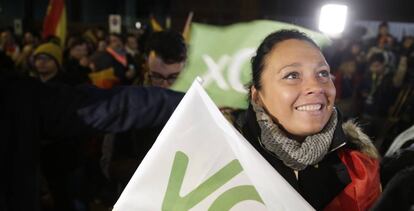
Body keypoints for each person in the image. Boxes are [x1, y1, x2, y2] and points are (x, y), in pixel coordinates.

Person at [232, 30, 381, 210]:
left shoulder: (361, 169)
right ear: (256, 96)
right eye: (292, 75)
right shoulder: (223, 161)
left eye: (323, 73)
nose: (316, 87)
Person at [0, 68, 184, 211]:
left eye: (173, 77)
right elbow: (109, 164)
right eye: (157, 76)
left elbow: (112, 107)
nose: (165, 83)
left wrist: (187, 103)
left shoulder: (15, 94)